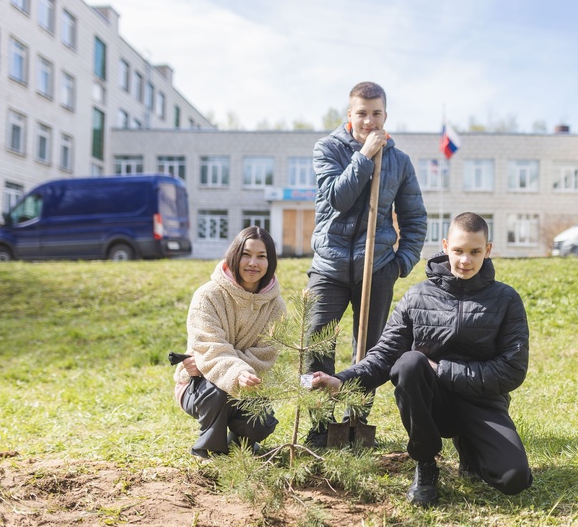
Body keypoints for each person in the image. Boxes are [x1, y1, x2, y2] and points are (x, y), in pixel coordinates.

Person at [312, 212, 532, 507]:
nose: (465, 260)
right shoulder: (417, 297)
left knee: (514, 479)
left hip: (482, 401)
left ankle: (470, 447)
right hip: (431, 404)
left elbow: (512, 370)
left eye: (475, 252)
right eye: (458, 251)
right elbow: (385, 354)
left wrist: (442, 370)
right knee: (409, 363)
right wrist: (342, 380)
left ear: (488, 250)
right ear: (445, 246)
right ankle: (426, 464)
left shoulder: (506, 299)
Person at [305, 81, 427, 446]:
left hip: (377, 267)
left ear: (385, 115)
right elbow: (339, 199)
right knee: (317, 345)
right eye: (362, 114)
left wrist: (401, 263)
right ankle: (320, 426)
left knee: (371, 347)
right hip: (329, 265)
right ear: (350, 115)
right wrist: (363, 158)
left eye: (376, 114)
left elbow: (415, 218)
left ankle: (357, 422)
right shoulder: (327, 149)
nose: (369, 122)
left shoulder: (399, 162)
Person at [173, 226, 286, 459]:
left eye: (261, 256)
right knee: (219, 389)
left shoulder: (276, 306)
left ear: (270, 261)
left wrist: (237, 370)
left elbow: (267, 354)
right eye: (246, 254)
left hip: (251, 384)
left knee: (262, 422)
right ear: (234, 255)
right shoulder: (208, 296)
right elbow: (209, 347)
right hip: (198, 386)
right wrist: (233, 371)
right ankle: (209, 449)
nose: (253, 262)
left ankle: (241, 444)